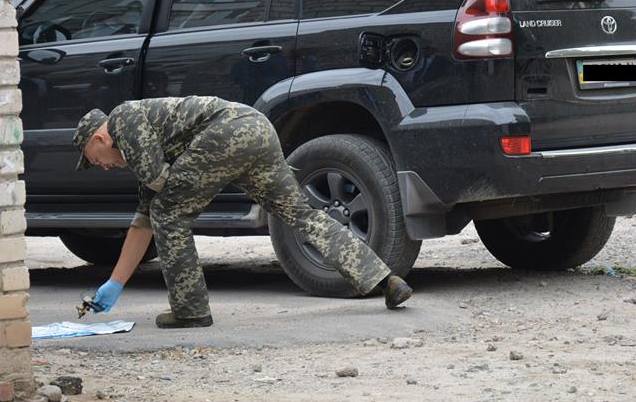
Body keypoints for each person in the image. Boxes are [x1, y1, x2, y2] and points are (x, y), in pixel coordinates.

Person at [72, 96, 413, 328]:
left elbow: (161, 191)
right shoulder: (142, 138)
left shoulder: (122, 119)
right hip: (256, 128)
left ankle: (190, 310)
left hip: (226, 133)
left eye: (92, 158)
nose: (100, 167)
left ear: (99, 137)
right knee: (300, 214)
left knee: (169, 213)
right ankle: (385, 280)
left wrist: (173, 203)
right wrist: (113, 283)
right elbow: (143, 219)